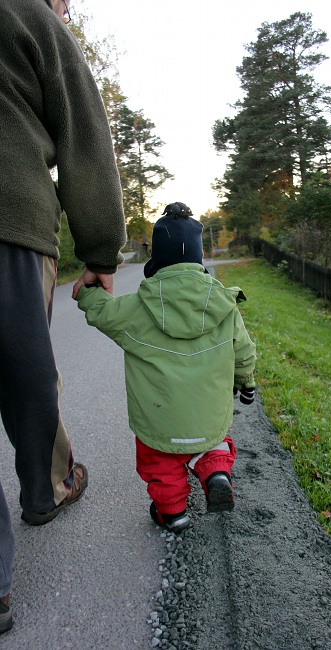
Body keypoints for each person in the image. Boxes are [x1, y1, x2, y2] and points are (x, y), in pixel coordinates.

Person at [0, 0, 126, 631]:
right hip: (11, 224)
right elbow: (85, 136)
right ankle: (47, 487)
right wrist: (101, 250)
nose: (69, 7)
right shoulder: (33, 18)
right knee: (25, 368)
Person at [75, 202, 256, 534]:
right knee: (213, 442)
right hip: (209, 415)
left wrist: (87, 292)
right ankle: (215, 471)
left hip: (158, 420)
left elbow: (102, 312)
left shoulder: (136, 309)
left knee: (161, 462)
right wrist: (246, 381)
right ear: (199, 258)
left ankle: (173, 513)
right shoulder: (224, 306)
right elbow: (243, 351)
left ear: (155, 259)